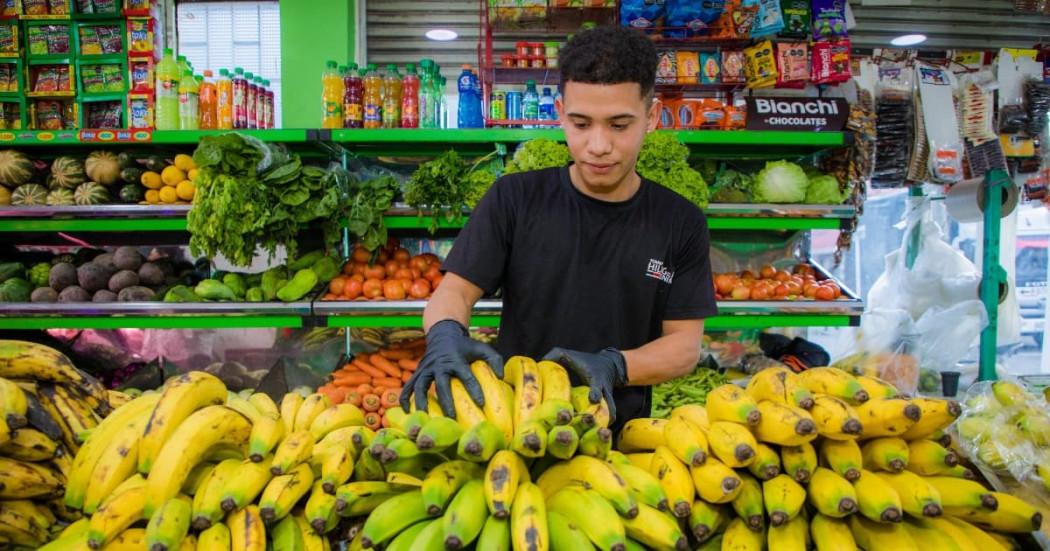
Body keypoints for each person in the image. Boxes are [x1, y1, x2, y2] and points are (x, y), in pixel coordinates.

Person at [399, 25, 717, 431]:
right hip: (513, 423)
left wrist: (615, 364)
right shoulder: (514, 198)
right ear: (559, 113)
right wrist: (444, 334)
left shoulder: (680, 221)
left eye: (619, 125)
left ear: (651, 118)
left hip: (619, 434)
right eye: (581, 124)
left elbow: (684, 347)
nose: (598, 145)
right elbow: (455, 291)